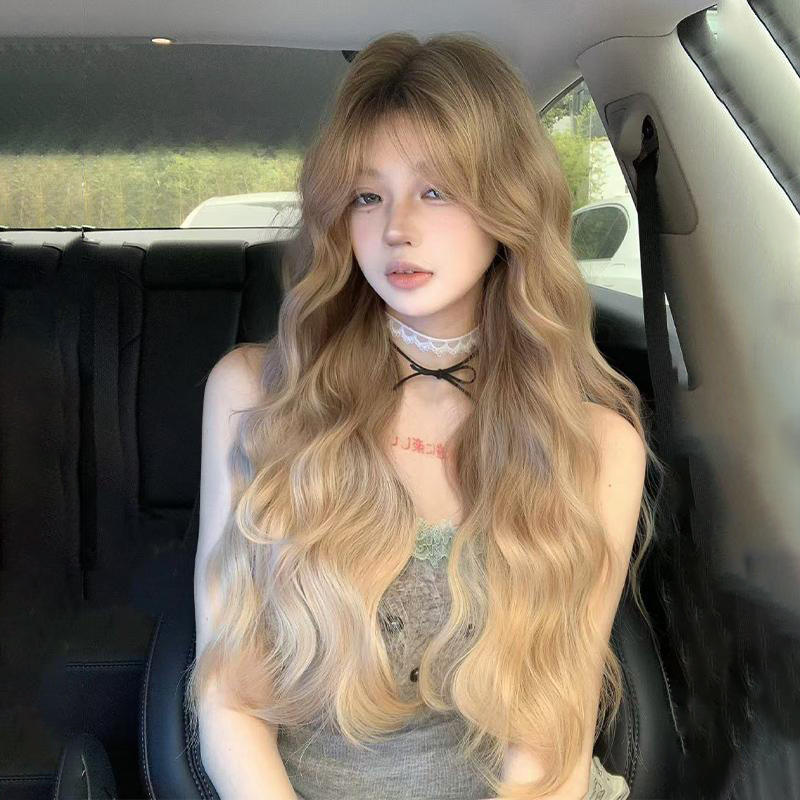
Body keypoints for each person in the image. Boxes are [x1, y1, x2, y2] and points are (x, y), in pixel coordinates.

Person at [186, 30, 664, 800]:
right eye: (367, 196)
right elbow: (229, 695)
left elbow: (553, 742)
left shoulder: (597, 443)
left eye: (436, 190)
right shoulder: (257, 396)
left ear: (508, 206)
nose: (396, 228)